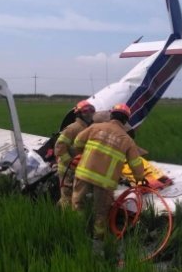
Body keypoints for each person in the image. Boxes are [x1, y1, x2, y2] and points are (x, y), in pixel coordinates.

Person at [71, 103, 145, 239]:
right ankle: (98, 240)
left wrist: (86, 151)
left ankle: (77, 232)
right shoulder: (127, 141)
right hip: (105, 182)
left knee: (78, 203)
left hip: (84, 174)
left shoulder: (95, 127)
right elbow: (135, 163)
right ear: (125, 120)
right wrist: (140, 178)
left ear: (111, 115)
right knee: (101, 212)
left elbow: (77, 142)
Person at [54, 100, 96, 208]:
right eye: (86, 110)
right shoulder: (72, 128)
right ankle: (65, 221)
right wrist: (70, 163)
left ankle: (56, 210)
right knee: (67, 197)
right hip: (68, 170)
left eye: (92, 110)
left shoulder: (90, 128)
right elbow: (59, 146)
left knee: (74, 196)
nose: (89, 113)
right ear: (79, 113)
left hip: (79, 169)